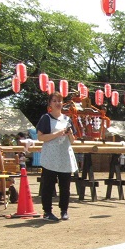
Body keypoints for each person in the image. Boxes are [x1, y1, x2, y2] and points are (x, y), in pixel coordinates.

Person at [36, 91, 78, 222]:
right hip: (50, 157)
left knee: (65, 186)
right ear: (50, 104)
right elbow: (40, 137)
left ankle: (64, 210)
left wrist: (70, 133)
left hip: (64, 156)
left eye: (59, 101)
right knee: (48, 185)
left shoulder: (67, 119)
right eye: (54, 101)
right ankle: (47, 211)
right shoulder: (46, 118)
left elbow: (72, 141)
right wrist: (58, 133)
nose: (57, 103)